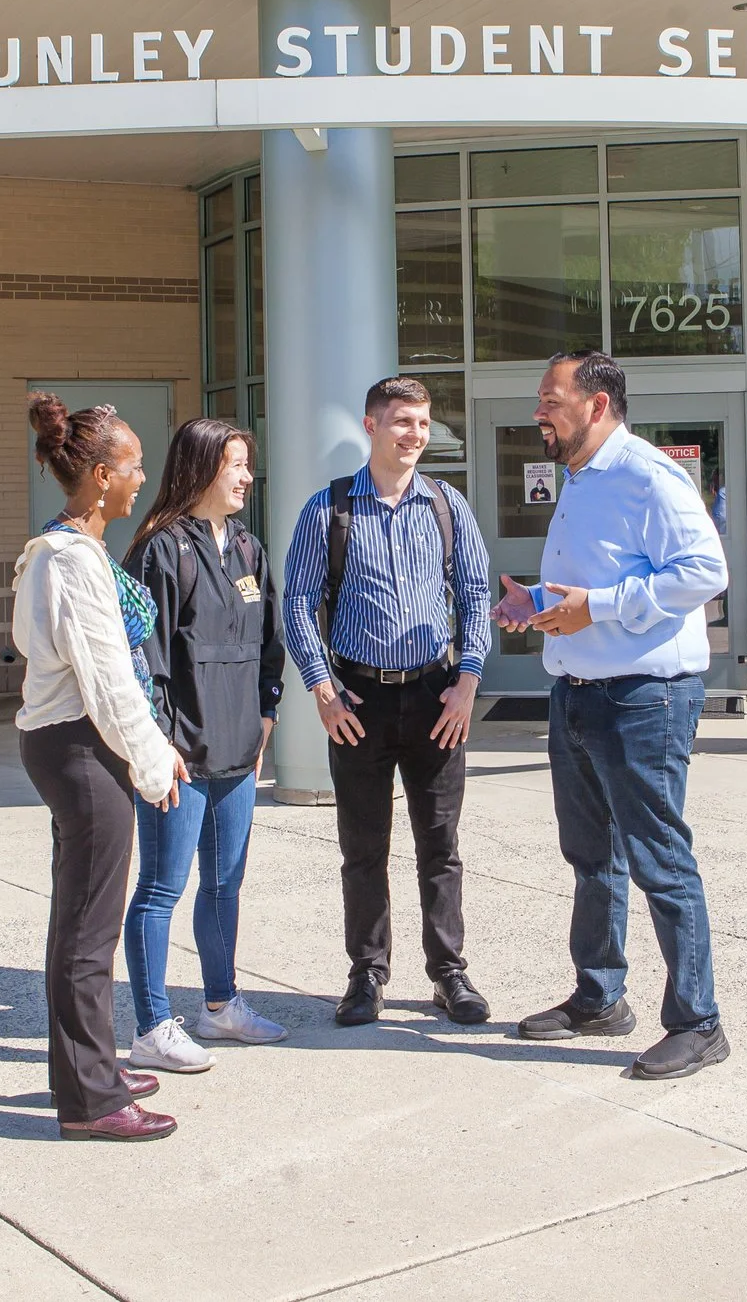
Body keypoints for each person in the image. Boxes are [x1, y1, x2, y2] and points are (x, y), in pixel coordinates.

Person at [495, 350, 734, 1081]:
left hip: (643, 700)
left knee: (661, 862)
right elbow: (599, 577)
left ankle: (699, 1023)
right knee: (592, 858)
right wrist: (535, 602)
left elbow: (704, 573)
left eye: (551, 399)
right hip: (577, 694)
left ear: (597, 405)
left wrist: (591, 608)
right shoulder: (580, 478)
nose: (538, 411)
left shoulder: (648, 476)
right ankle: (600, 997)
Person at [280, 376, 494, 1028]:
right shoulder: (329, 509)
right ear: (371, 426)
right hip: (359, 699)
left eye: (423, 424)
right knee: (363, 848)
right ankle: (366, 976)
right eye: (402, 422)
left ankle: (449, 974)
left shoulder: (447, 506)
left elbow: (477, 595)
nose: (415, 435)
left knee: (440, 845)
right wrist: (321, 687)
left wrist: (469, 678)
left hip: (437, 697)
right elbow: (295, 602)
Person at [13, 393, 187, 1141]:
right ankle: (91, 1101)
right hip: (82, 748)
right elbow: (110, 681)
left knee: (80, 925)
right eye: (133, 466)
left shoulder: (67, 551)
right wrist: (155, 760)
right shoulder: (69, 562)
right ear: (98, 474)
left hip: (74, 744)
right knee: (88, 933)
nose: (141, 478)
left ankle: (89, 1069)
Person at [119, 418, 291, 1074]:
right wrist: (160, 745)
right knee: (162, 888)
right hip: (180, 755)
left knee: (225, 883)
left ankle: (220, 1009)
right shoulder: (160, 551)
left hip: (238, 752)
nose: (247, 477)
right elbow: (145, 662)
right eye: (236, 465)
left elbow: (268, 643)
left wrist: (267, 715)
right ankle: (152, 1026)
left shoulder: (248, 549)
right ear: (200, 469)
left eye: (247, 465)